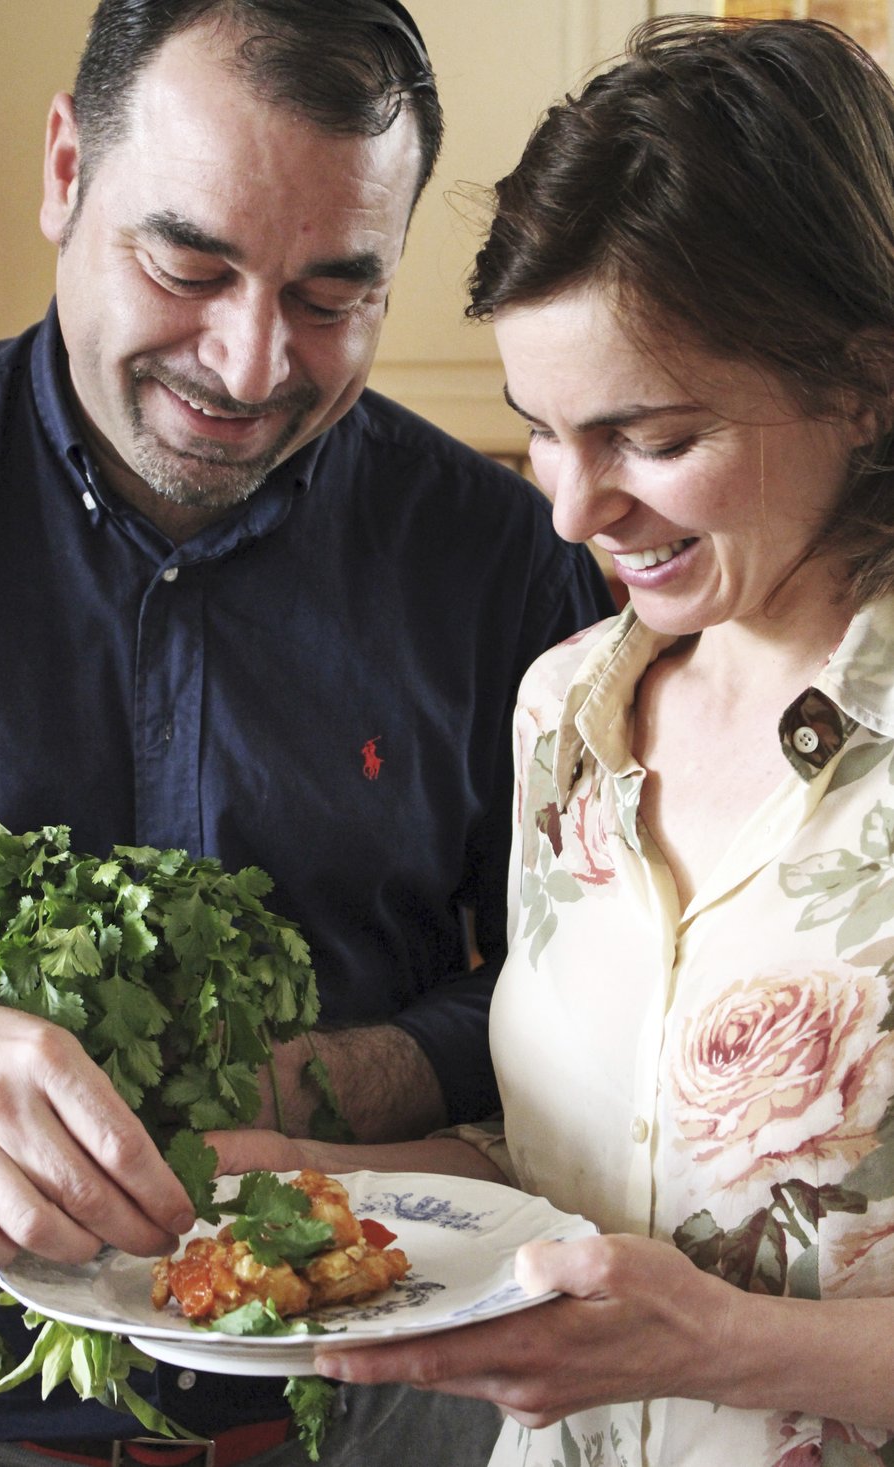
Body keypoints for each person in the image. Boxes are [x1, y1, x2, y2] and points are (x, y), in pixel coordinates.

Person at [0, 1, 613, 1464]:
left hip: (384, 1417)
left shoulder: (508, 562)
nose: (247, 369)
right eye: (189, 265)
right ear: (62, 171)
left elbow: (575, 1013)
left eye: (329, 296)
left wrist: (314, 1088)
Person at [211, 14, 894, 1465]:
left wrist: (727, 1343)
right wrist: (294, 1171)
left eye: (648, 437)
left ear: (862, 382)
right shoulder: (565, 711)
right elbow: (567, 1169)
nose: (572, 513)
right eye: (541, 428)